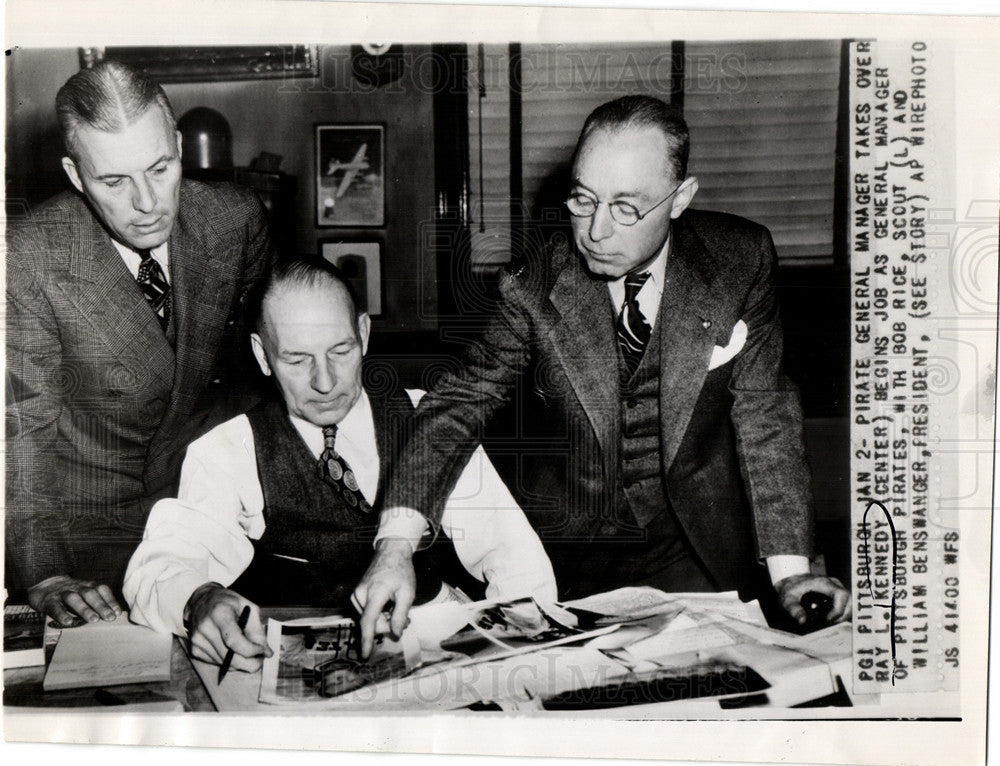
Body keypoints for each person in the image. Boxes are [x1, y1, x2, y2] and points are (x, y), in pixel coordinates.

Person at [355, 95, 850, 653]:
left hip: (699, 547)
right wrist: (396, 546)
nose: (594, 230)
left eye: (625, 208)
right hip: (570, 549)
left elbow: (765, 415)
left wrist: (789, 572)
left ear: (680, 199)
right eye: (583, 199)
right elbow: (458, 404)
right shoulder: (532, 279)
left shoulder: (741, 258)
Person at [122, 257, 556, 672]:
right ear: (261, 355)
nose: (325, 382)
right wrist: (198, 598)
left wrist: (526, 663)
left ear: (364, 334)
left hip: (438, 646)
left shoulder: (431, 425)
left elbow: (516, 561)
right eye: (297, 360)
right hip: (303, 668)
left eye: (341, 351)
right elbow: (160, 566)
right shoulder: (229, 449)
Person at [5, 61, 274, 626]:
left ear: (178, 147)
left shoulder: (236, 220)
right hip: (89, 552)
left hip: (217, 528)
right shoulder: (29, 257)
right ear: (76, 176)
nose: (148, 203)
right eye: (114, 181)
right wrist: (44, 573)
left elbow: (258, 385)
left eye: (160, 168)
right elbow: (21, 434)